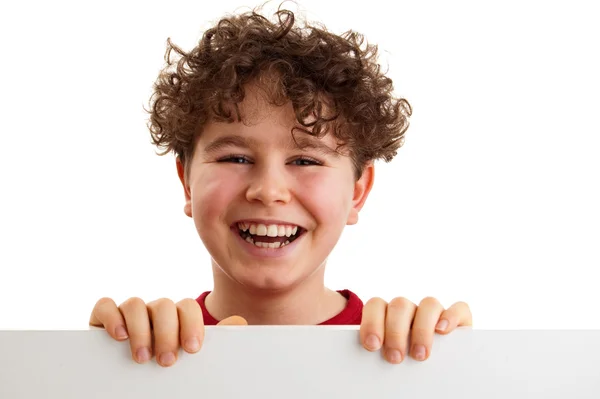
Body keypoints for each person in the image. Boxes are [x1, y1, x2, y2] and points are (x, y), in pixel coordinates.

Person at [89, 4, 472, 368]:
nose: (268, 190)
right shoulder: (142, 351)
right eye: (235, 158)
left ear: (357, 191)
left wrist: (467, 367)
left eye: (305, 160)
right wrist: (92, 367)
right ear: (186, 183)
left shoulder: (410, 350)